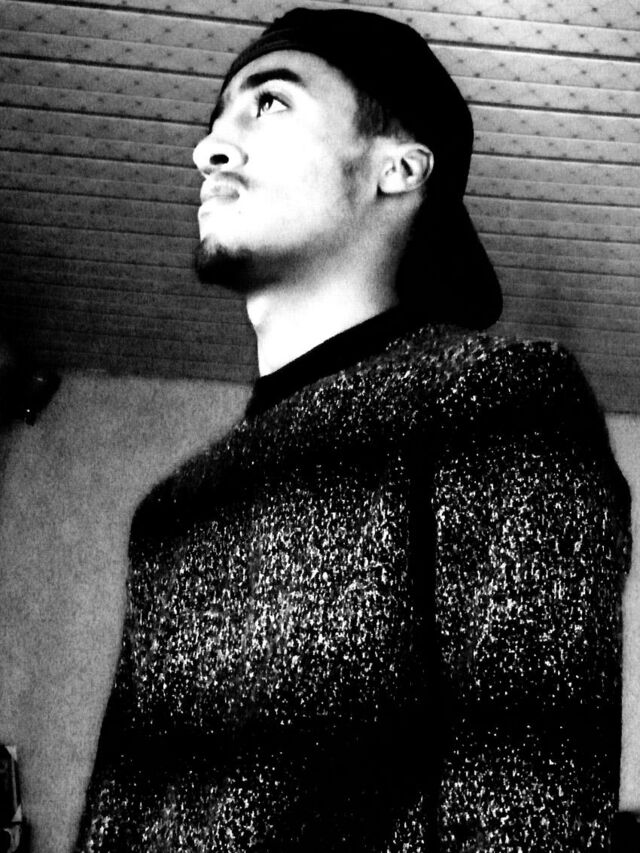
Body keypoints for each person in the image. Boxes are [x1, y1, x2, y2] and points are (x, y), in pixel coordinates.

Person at [75, 9, 631, 851]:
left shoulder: (498, 402)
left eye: (268, 103)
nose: (209, 148)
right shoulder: (172, 509)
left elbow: (528, 801)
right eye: (215, 119)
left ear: (398, 167)